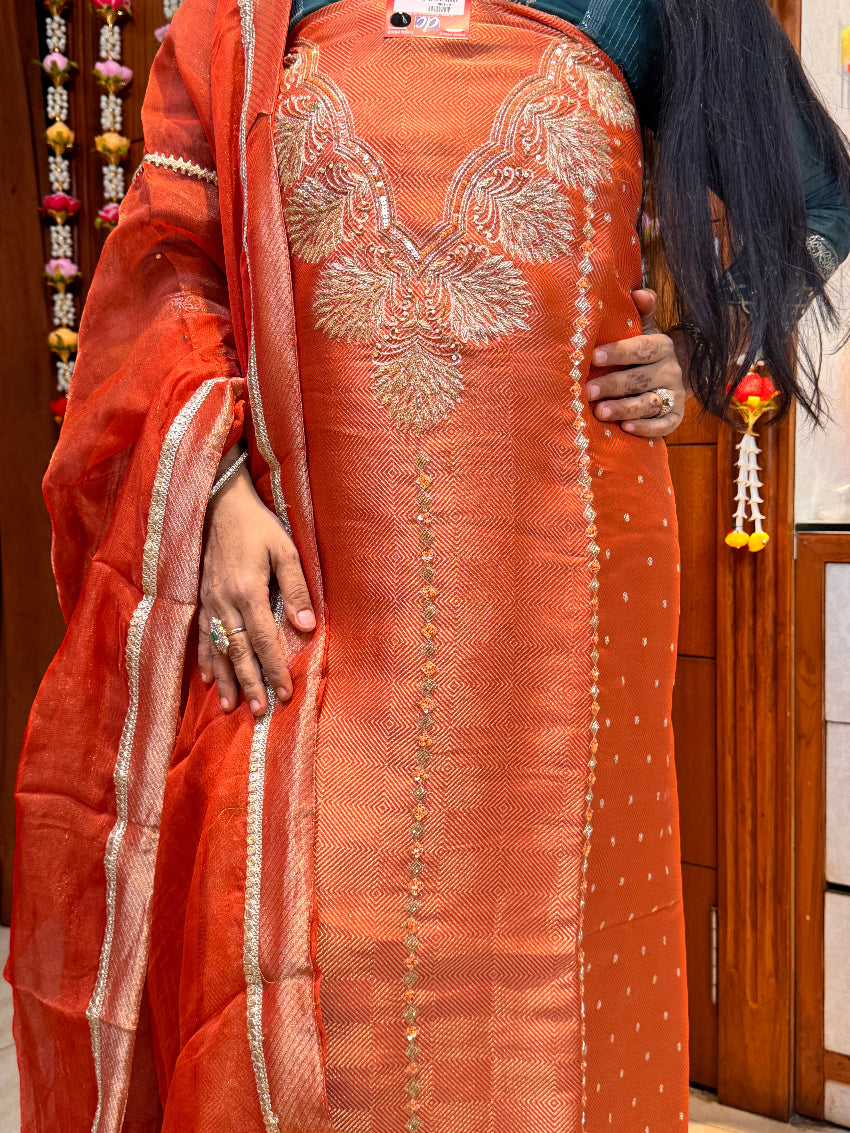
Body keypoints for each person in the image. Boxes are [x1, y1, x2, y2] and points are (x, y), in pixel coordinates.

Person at [8, 0, 850, 1129]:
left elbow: (816, 197)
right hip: (314, 566)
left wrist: (706, 346)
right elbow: (171, 260)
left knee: (552, 953)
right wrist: (216, 490)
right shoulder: (250, 15)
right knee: (313, 943)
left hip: (569, 575)